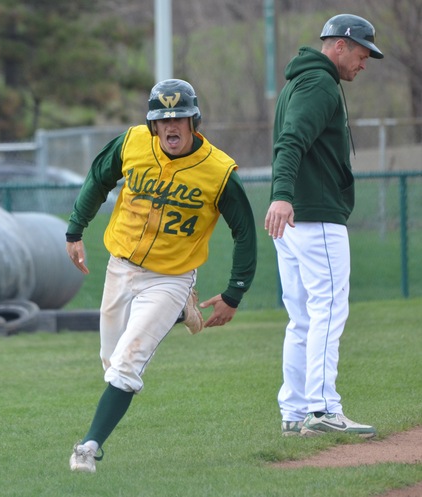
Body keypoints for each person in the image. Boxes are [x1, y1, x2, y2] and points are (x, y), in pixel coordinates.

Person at [65, 78, 257, 473]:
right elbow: (98, 179)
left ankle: (88, 447)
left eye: (180, 117)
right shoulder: (133, 142)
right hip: (121, 267)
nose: (171, 125)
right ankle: (179, 313)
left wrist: (234, 293)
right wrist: (75, 229)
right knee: (110, 361)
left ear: (194, 121)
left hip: (170, 277)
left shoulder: (218, 171)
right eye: (163, 118)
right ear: (153, 124)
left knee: (126, 366)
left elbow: (245, 232)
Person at [264, 14, 383, 438]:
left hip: (297, 219)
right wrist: (281, 193)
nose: (364, 63)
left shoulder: (301, 81)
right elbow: (292, 139)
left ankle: (295, 411)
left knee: (303, 318)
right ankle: (321, 408)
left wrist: (283, 197)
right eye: (362, 52)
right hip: (313, 216)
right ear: (339, 45)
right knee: (328, 312)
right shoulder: (319, 83)